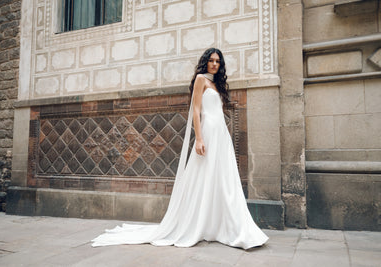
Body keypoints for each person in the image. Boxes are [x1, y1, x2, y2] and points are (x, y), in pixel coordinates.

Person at [91, 48, 269, 249]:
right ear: (205, 62)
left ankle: (222, 226)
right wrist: (199, 138)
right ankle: (199, 223)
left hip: (222, 134)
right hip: (208, 133)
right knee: (204, 175)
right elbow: (196, 110)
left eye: (217, 61)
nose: (214, 64)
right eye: (211, 60)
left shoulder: (216, 84)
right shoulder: (201, 79)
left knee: (225, 179)